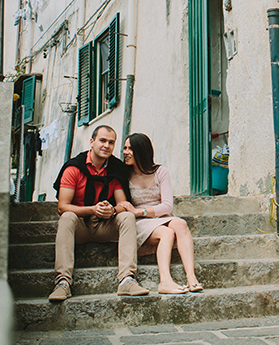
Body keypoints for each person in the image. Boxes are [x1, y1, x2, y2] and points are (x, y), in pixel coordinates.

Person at [48, 125, 149, 302]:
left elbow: (123, 204)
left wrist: (112, 210)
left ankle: (127, 279)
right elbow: (62, 206)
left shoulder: (116, 168)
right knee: (67, 217)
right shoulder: (74, 168)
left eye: (111, 142)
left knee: (126, 216)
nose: (106, 146)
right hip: (79, 226)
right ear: (92, 142)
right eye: (102, 141)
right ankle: (63, 282)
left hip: (104, 226)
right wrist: (92, 209)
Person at [118, 133, 203, 294]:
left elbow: (167, 205)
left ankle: (191, 277)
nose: (125, 152)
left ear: (141, 151)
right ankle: (165, 281)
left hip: (159, 215)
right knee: (167, 233)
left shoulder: (160, 172)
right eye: (125, 148)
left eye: (130, 149)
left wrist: (140, 210)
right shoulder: (124, 175)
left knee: (180, 223)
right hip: (140, 222)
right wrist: (136, 213)